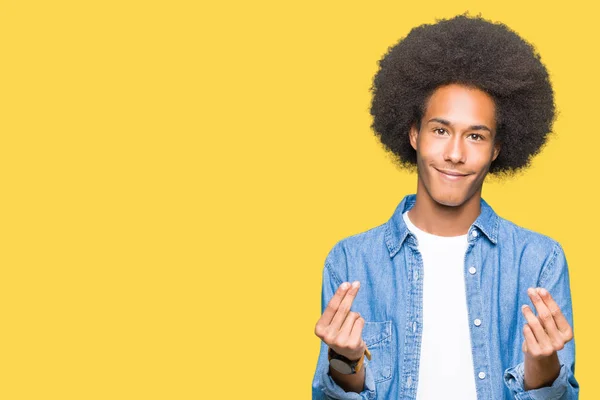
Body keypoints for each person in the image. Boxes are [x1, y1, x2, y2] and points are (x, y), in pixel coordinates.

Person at [311, 13, 579, 400]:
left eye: (475, 135)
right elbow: (333, 391)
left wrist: (542, 366)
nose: (454, 153)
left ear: (496, 149)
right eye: (440, 130)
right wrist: (344, 360)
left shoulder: (539, 261)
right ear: (414, 133)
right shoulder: (351, 261)